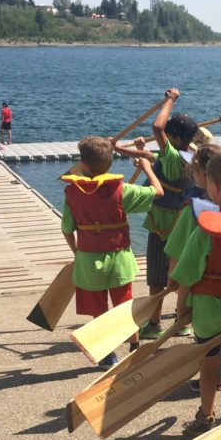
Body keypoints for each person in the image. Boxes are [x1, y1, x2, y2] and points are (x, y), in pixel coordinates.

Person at [60, 136, 163, 368]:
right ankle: (135, 348)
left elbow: (67, 228)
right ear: (110, 164)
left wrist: (77, 252)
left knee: (99, 310)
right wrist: (147, 167)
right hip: (119, 259)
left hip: (89, 260)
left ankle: (108, 355)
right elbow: (158, 192)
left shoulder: (71, 193)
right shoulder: (120, 189)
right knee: (125, 307)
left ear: (83, 165)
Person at [171, 151, 221, 435]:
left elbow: (187, 275)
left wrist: (181, 310)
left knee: (208, 364)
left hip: (206, 307)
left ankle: (206, 414)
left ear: (213, 187)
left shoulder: (205, 230)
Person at [139, 87, 199, 340]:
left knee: (156, 276)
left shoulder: (173, 156)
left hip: (162, 223)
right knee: (182, 273)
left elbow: (157, 127)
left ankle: (154, 324)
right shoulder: (194, 155)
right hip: (183, 225)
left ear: (173, 137)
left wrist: (170, 100)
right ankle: (183, 320)